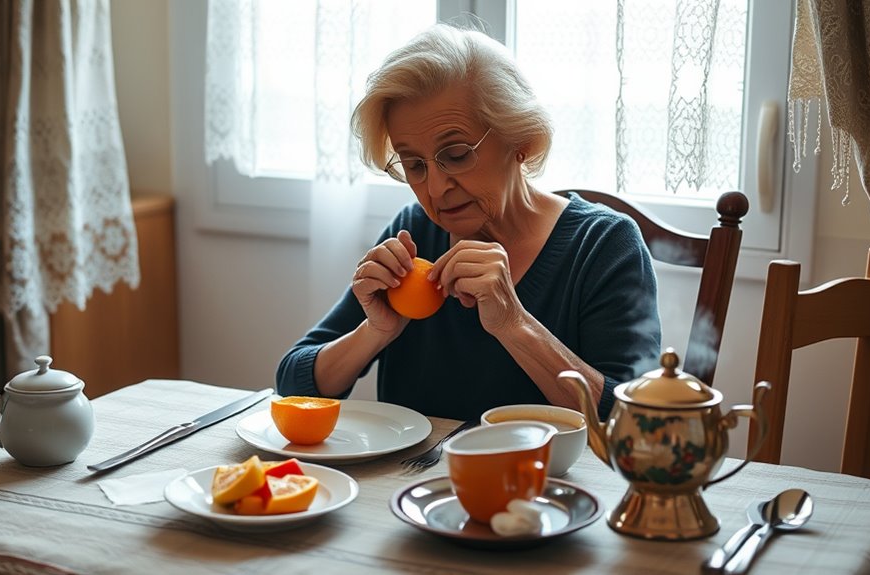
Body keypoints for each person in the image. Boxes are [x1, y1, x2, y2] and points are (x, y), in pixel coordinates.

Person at [276, 24, 661, 421]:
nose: (436, 188)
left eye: (456, 154)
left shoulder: (603, 245)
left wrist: (515, 324)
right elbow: (291, 385)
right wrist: (376, 332)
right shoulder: (414, 233)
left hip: (542, 483)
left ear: (521, 140)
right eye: (414, 165)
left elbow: (639, 425)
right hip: (415, 483)